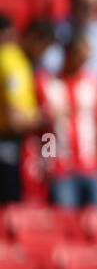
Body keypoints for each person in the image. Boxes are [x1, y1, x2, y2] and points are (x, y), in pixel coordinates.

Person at [35, 32, 97, 208]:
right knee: (66, 221)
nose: (83, 59)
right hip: (60, 168)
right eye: (79, 53)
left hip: (92, 166)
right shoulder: (47, 83)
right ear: (68, 53)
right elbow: (42, 130)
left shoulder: (94, 85)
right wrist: (48, 164)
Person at [0, 16, 54, 203]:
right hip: (5, 142)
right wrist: (44, 116)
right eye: (43, 47)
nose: (42, 54)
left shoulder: (20, 62)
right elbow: (15, 119)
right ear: (34, 38)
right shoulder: (12, 63)